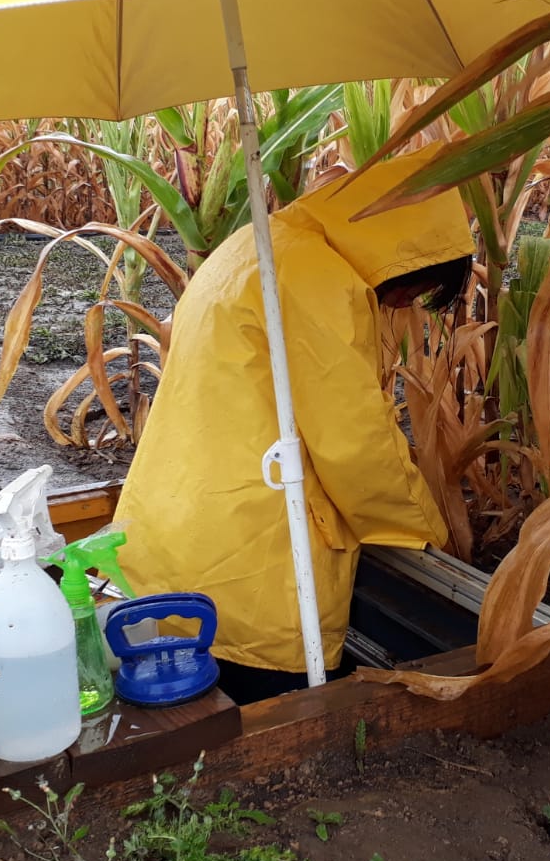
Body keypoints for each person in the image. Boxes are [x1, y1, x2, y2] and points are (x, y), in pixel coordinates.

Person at [111, 144, 472, 702]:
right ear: (404, 255)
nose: (405, 303)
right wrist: (424, 532)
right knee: (267, 708)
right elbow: (354, 444)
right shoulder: (317, 279)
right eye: (418, 288)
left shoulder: (256, 243)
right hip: (254, 560)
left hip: (178, 525)